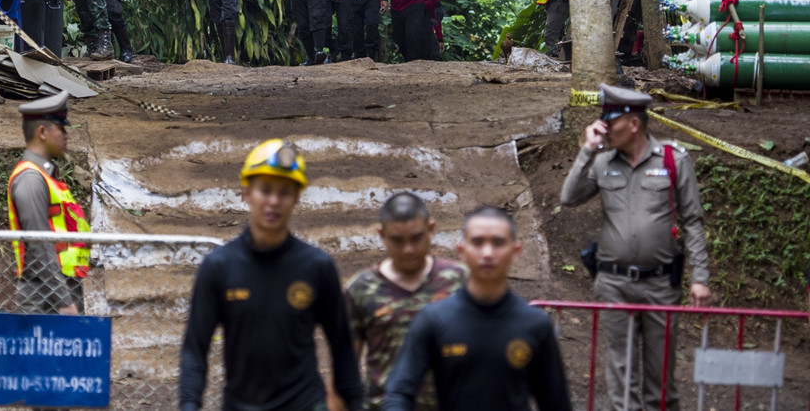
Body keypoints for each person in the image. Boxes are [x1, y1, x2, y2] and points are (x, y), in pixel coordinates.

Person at [179, 139, 364, 411]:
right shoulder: (219, 267)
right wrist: (188, 405)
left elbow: (343, 349)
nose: (274, 201)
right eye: (265, 190)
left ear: (297, 197)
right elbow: (195, 349)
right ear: (247, 192)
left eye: (285, 192)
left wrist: (356, 404)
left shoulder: (316, 267)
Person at [560, 83, 711, 411]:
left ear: (633, 123)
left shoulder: (673, 159)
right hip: (614, 285)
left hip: (660, 285)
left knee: (661, 385)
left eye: (609, 123)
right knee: (621, 382)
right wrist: (587, 150)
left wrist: (700, 277)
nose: (604, 129)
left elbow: (693, 222)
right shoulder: (602, 163)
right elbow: (568, 198)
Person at [383, 206, 571, 411]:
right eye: (478, 242)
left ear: (516, 251)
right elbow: (399, 392)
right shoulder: (434, 319)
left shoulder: (535, 324)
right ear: (462, 250)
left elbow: (556, 403)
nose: (488, 253)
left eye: (498, 242)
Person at [342, 192, 467, 410]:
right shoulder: (361, 290)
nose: (408, 249)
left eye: (416, 238)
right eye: (397, 240)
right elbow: (345, 370)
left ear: (431, 229)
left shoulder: (460, 281)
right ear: (381, 234)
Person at [6, 90, 90, 316]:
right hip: (46, 299)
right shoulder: (30, 179)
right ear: (42, 132)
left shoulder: (46, 176)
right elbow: (40, 244)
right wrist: (64, 301)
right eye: (61, 128)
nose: (66, 135)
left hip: (58, 290)